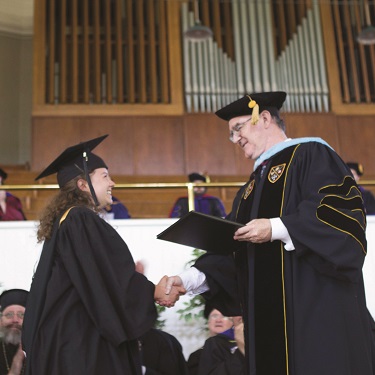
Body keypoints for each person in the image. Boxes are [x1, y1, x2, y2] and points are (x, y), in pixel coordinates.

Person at [161, 92, 375, 374]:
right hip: (267, 329)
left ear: (263, 118)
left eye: (238, 129)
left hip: (317, 315)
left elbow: (340, 216)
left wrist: (276, 227)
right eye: (231, 134)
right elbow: (233, 249)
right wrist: (187, 280)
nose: (235, 139)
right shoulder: (249, 189)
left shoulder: (312, 154)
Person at [21, 135, 184, 375]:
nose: (113, 183)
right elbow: (109, 277)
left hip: (66, 342)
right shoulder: (80, 219)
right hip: (80, 346)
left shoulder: (67, 220)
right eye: (105, 176)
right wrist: (152, 291)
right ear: (83, 184)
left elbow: (98, 276)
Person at [187, 305, 244, 375]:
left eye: (224, 316)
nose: (218, 320)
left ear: (232, 321)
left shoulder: (243, 343)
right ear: (208, 322)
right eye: (214, 316)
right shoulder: (198, 355)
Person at [0, 289, 28, 375]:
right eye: (9, 315)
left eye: (21, 315)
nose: (15, 320)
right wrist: (17, 363)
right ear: (0, 321)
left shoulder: (42, 350)